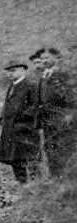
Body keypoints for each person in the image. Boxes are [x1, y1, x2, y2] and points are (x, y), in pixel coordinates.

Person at [0, 61, 41, 183]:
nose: (10, 74)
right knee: (14, 158)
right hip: (11, 129)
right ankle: (22, 184)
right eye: (9, 72)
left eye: (13, 71)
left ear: (22, 70)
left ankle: (37, 185)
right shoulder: (12, 86)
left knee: (30, 158)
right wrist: (2, 118)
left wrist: (23, 118)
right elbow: (7, 104)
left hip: (25, 129)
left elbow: (36, 105)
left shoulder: (31, 85)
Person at [35, 47, 75, 179]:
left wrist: (67, 116)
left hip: (62, 120)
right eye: (42, 59)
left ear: (56, 58)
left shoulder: (64, 74)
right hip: (48, 121)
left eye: (47, 58)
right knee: (50, 149)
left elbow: (71, 98)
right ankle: (55, 179)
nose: (44, 61)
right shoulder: (44, 76)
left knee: (63, 150)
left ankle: (66, 180)